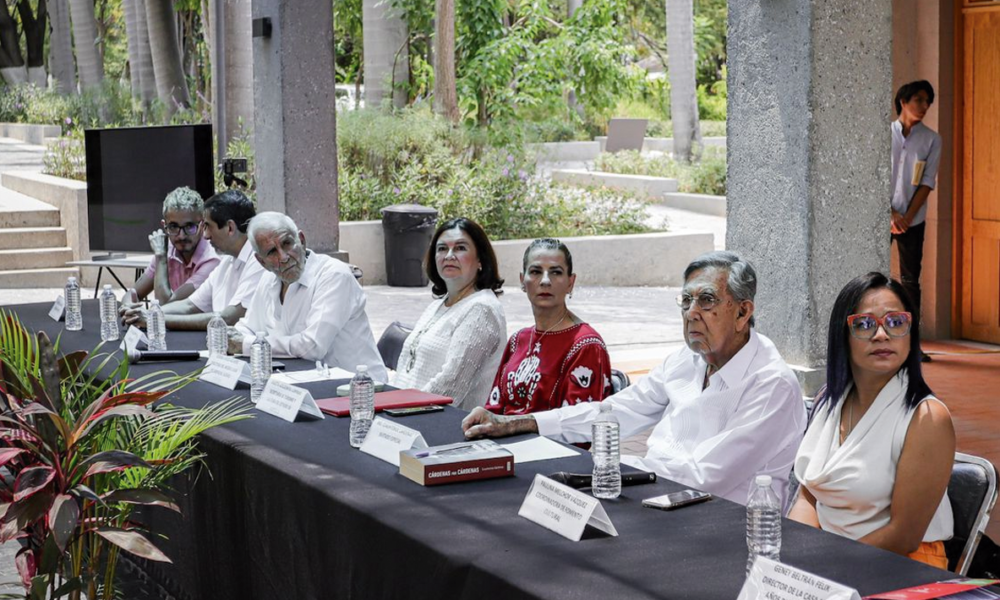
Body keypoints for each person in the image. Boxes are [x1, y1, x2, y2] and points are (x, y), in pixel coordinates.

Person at [463, 251, 806, 505]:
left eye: (706, 300)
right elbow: (614, 412)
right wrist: (521, 423)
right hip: (654, 496)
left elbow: (706, 477)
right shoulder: (686, 360)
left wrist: (619, 467)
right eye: (685, 301)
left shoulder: (771, 384)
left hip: (724, 524)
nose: (691, 313)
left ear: (743, 312)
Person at [790, 272, 954, 569]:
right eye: (864, 324)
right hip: (831, 556)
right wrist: (795, 554)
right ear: (843, 336)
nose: (882, 335)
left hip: (903, 565)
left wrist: (824, 565)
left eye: (895, 322)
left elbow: (903, 536)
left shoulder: (927, 418)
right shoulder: (830, 399)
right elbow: (808, 496)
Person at [230, 212, 387, 381]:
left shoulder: (334, 275)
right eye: (272, 252)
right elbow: (249, 327)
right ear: (262, 262)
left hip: (361, 389)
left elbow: (312, 347)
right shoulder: (269, 279)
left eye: (287, 243)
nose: (283, 257)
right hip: (305, 382)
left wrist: (247, 345)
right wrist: (232, 338)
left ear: (302, 241)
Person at [485, 238, 611, 415]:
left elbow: (576, 427)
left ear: (570, 282)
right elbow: (494, 406)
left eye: (556, 272)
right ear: (522, 281)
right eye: (536, 271)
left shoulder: (587, 345)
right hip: (501, 439)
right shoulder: (518, 340)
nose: (545, 281)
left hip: (550, 442)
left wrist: (507, 427)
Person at [392, 218, 506, 410]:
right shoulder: (437, 305)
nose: (449, 255)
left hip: (442, 426)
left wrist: (399, 410)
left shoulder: (482, 309)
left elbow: (451, 385)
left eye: (460, 248)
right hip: (403, 414)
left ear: (480, 260)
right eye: (442, 249)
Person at [120, 190, 264, 330]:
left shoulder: (257, 259)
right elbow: (189, 306)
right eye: (173, 227)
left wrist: (152, 318)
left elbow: (229, 318)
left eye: (207, 227)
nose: (206, 235)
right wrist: (143, 313)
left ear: (230, 228)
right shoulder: (227, 261)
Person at [891, 80, 941, 362]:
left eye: (927, 102)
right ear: (903, 101)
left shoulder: (932, 140)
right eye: (919, 100)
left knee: (911, 281)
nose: (924, 107)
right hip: (881, 216)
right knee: (868, 275)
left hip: (913, 219)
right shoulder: (884, 133)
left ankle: (912, 345)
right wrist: (889, 215)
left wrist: (907, 217)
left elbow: (927, 182)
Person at [135, 187, 220, 304]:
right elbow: (133, 294)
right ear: (164, 225)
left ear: (202, 225)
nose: (181, 236)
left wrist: (160, 257)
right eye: (173, 227)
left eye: (190, 227)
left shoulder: (212, 259)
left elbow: (167, 306)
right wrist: (129, 307)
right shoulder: (168, 249)